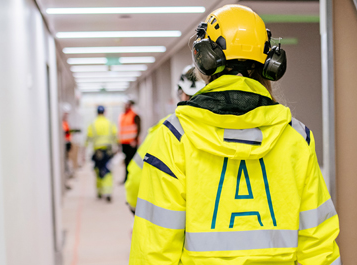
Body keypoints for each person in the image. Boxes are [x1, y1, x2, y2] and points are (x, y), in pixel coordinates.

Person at [130, 5, 341, 265]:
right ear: (270, 63)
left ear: (204, 59)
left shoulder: (174, 137)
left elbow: (154, 251)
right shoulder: (297, 138)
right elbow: (318, 247)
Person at [125, 65, 205, 213]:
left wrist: (133, 204)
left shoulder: (168, 128)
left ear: (182, 94)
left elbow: (137, 176)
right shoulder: (233, 126)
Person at [86, 105, 118, 202]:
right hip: (108, 150)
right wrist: (117, 147)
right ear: (105, 112)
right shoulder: (110, 123)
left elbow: (88, 139)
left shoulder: (93, 124)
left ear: (97, 112)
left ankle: (99, 192)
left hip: (97, 151)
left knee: (98, 171)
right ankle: (108, 192)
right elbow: (115, 136)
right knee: (108, 170)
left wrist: (83, 152)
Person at [119, 100, 141, 184]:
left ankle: (132, 178)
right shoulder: (123, 115)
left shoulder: (134, 115)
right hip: (124, 143)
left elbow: (138, 128)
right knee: (126, 162)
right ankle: (126, 178)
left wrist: (135, 140)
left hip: (132, 143)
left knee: (132, 162)